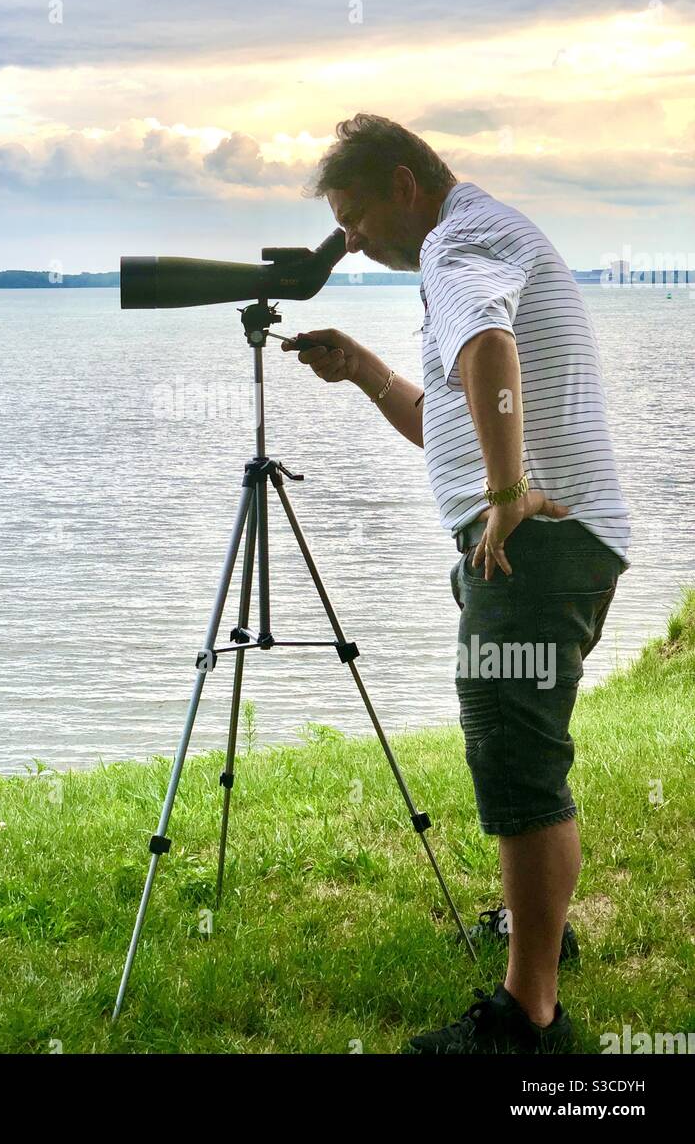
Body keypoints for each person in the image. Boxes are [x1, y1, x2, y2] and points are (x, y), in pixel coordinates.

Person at [283, 114, 629, 1054]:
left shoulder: (457, 241)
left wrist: (508, 493)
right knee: (525, 741)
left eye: (353, 218)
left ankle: (529, 1016)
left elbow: (487, 350)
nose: (347, 242)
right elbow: (453, 411)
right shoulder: (473, 236)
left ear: (404, 185)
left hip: (533, 541)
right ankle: (534, 934)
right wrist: (363, 372)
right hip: (546, 541)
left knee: (514, 756)